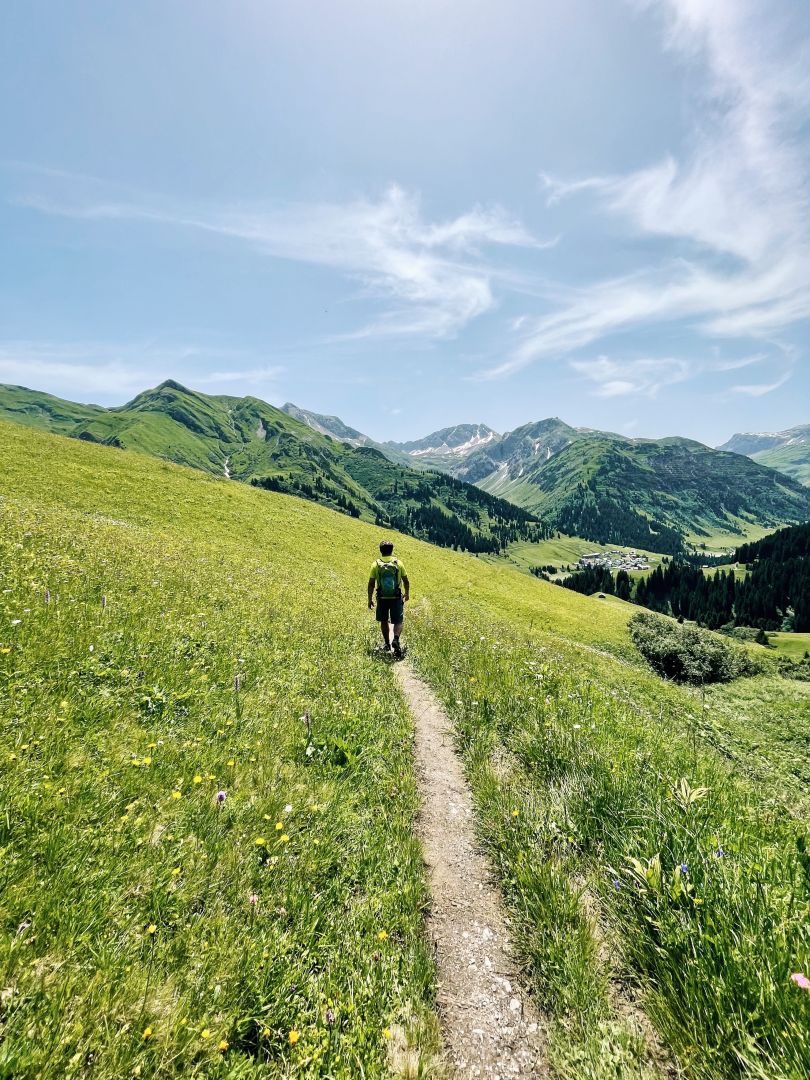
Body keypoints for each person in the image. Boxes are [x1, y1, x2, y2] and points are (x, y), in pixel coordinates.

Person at [368, 539, 409, 658]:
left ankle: (387, 644)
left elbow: (371, 583)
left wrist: (369, 599)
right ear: (392, 550)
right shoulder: (398, 563)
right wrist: (407, 593)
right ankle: (396, 638)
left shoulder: (376, 564)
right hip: (396, 596)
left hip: (382, 597)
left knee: (384, 620)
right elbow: (406, 581)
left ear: (381, 551)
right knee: (398, 621)